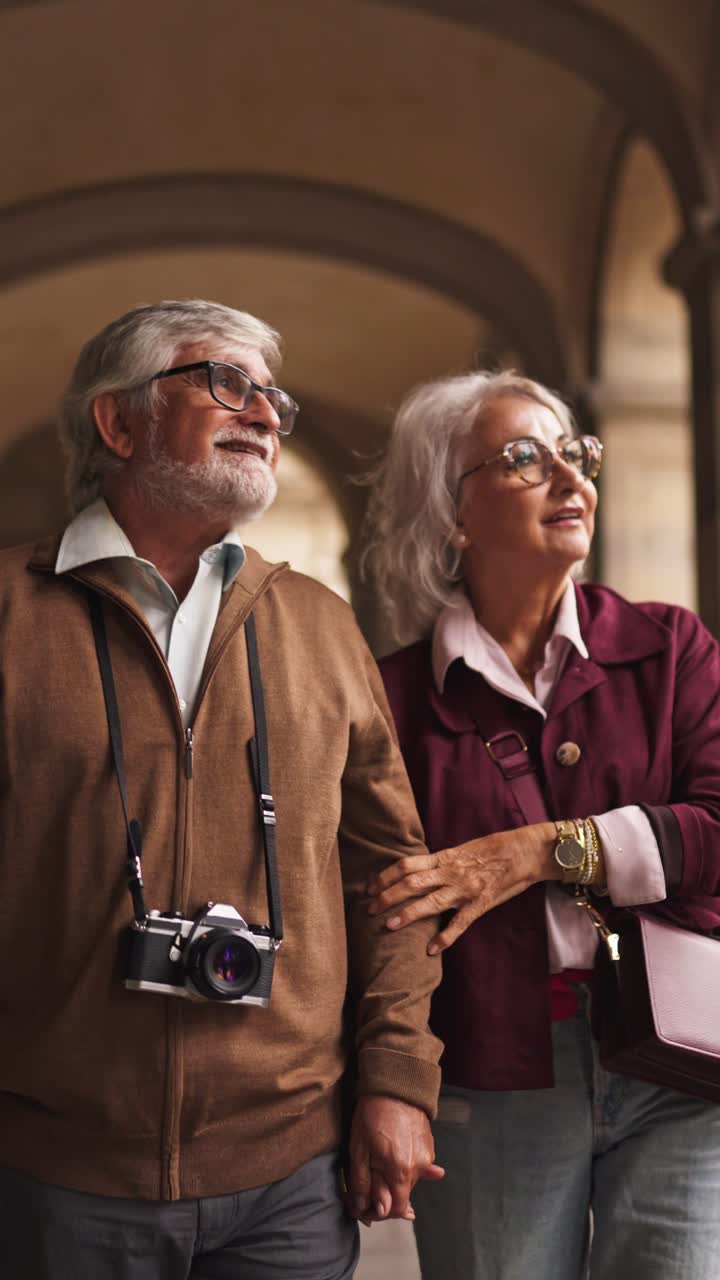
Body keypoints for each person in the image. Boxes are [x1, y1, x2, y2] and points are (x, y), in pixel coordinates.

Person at [0, 299, 444, 1280]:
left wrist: (400, 1080)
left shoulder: (323, 627)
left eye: (272, 394)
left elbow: (395, 883)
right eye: (224, 382)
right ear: (118, 422)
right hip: (54, 1173)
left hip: (290, 1176)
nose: (265, 411)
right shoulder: (9, 615)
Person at [361, 369, 720, 1280]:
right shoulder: (389, 699)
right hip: (489, 1069)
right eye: (525, 459)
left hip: (680, 1060)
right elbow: (383, 907)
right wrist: (387, 1083)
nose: (571, 479)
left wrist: (540, 851)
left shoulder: (670, 648)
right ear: (451, 512)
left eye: (576, 453)